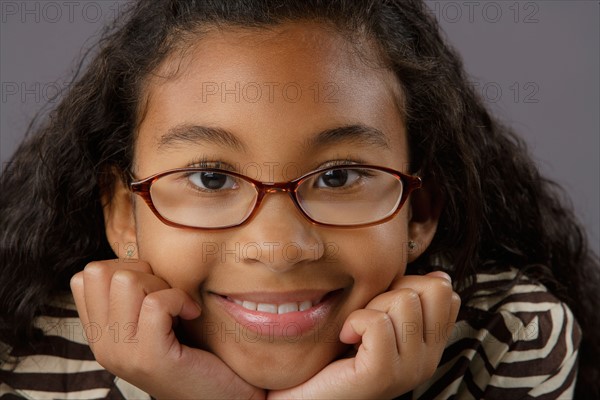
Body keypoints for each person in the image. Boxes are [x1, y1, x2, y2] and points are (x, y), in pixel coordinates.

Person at [1, 0, 598, 398]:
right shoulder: (23, 354)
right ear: (122, 212)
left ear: (419, 210)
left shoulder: (510, 337)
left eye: (338, 176)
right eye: (211, 178)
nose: (279, 247)